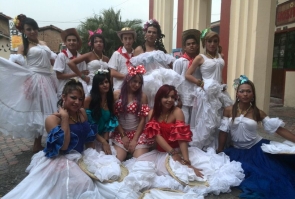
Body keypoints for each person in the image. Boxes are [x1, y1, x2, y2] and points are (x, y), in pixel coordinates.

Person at [133, 85, 244, 196]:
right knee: (142, 168)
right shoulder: (152, 113)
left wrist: (186, 161)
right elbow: (157, 137)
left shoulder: (177, 112)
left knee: (189, 173)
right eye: (166, 97)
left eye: (172, 97)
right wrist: (173, 153)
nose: (170, 100)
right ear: (159, 98)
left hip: (178, 150)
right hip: (162, 152)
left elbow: (182, 138)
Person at [2, 79, 102, 199]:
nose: (77, 102)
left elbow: (88, 139)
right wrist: (64, 118)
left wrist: (93, 158)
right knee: (84, 183)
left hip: (81, 156)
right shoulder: (52, 119)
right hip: (61, 159)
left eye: (80, 99)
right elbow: (64, 147)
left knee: (100, 179)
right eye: (73, 98)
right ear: (63, 97)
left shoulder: (81, 113)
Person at [217, 76, 295, 199]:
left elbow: (278, 129)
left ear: (253, 95)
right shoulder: (228, 110)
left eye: (249, 91)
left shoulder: (258, 112)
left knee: (272, 176)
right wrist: (220, 150)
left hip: (256, 149)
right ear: (237, 94)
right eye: (242, 91)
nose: (245, 94)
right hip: (237, 150)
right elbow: (223, 132)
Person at [0, 14, 57, 152]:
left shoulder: (44, 44)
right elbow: (14, 66)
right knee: (38, 110)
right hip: (35, 80)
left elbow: (54, 61)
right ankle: (37, 144)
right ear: (24, 32)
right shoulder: (23, 47)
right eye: (29, 29)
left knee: (49, 111)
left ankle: (49, 140)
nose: (32, 31)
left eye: (34, 28)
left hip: (48, 79)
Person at [185, 28, 232, 150]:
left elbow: (219, 73)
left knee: (220, 119)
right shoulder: (200, 58)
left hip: (220, 92)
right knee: (208, 122)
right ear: (205, 43)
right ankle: (204, 147)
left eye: (215, 41)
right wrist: (200, 83)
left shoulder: (220, 56)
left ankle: (218, 147)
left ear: (218, 43)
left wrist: (223, 84)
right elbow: (187, 74)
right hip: (207, 93)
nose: (212, 44)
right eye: (209, 41)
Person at [130, 19, 183, 108]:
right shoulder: (139, 49)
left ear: (157, 35)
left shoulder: (161, 51)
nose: (151, 34)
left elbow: (171, 66)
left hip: (162, 83)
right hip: (147, 85)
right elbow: (134, 71)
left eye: (154, 32)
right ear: (145, 33)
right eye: (149, 32)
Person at [111, 65, 152, 161]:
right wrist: (123, 136)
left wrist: (134, 140)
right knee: (117, 160)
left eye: (140, 83)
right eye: (135, 81)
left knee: (140, 162)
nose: (137, 85)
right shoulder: (117, 94)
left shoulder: (142, 97)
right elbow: (114, 117)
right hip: (121, 133)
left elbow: (143, 119)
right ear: (128, 80)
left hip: (138, 133)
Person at [84, 69, 118, 155]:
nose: (105, 85)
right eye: (101, 83)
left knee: (108, 157)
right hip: (90, 137)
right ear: (96, 86)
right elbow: (88, 125)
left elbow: (108, 123)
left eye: (106, 82)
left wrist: (105, 141)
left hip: (104, 136)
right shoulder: (89, 100)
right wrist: (103, 141)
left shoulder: (110, 100)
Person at [68, 29, 109, 96]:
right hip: (91, 85)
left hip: (104, 87)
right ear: (92, 44)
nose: (98, 43)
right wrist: (82, 76)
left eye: (101, 41)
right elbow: (71, 63)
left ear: (103, 44)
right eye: (96, 42)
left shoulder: (106, 58)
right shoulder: (88, 55)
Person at [173, 29, 201, 124]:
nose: (191, 46)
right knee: (184, 123)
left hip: (196, 97)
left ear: (197, 46)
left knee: (196, 124)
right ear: (184, 47)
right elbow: (175, 81)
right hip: (184, 98)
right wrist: (177, 98)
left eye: (193, 43)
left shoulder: (200, 62)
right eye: (188, 44)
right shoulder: (179, 62)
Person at [53, 28, 89, 98]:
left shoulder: (81, 57)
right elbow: (59, 76)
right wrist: (79, 73)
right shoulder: (61, 56)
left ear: (78, 43)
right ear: (65, 43)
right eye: (69, 40)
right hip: (65, 88)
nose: (71, 42)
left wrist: (84, 77)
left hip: (80, 88)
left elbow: (85, 74)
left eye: (74, 40)